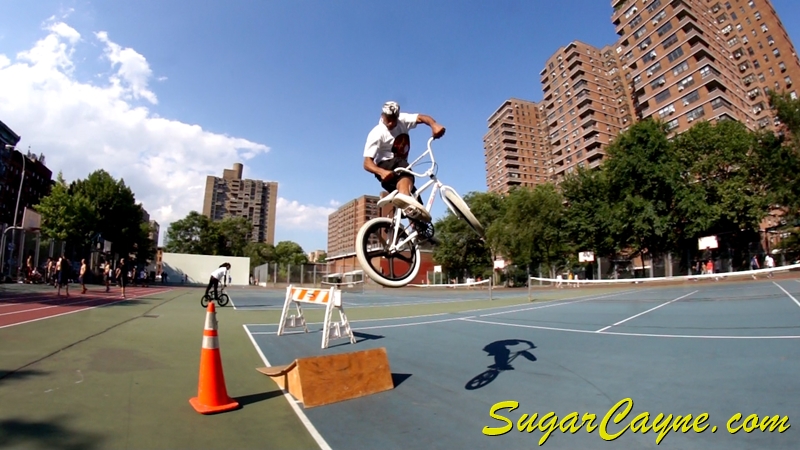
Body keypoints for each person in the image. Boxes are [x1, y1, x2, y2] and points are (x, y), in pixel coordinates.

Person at [363, 101, 446, 222]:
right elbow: (367, 163)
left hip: (399, 172)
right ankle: (405, 199)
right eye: (388, 119)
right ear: (382, 116)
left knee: (418, 207)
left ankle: (413, 228)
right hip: (385, 167)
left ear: (397, 116)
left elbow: (421, 117)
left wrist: (434, 124)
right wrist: (381, 172)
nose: (391, 123)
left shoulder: (402, 120)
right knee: (403, 168)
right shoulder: (377, 133)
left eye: (394, 119)